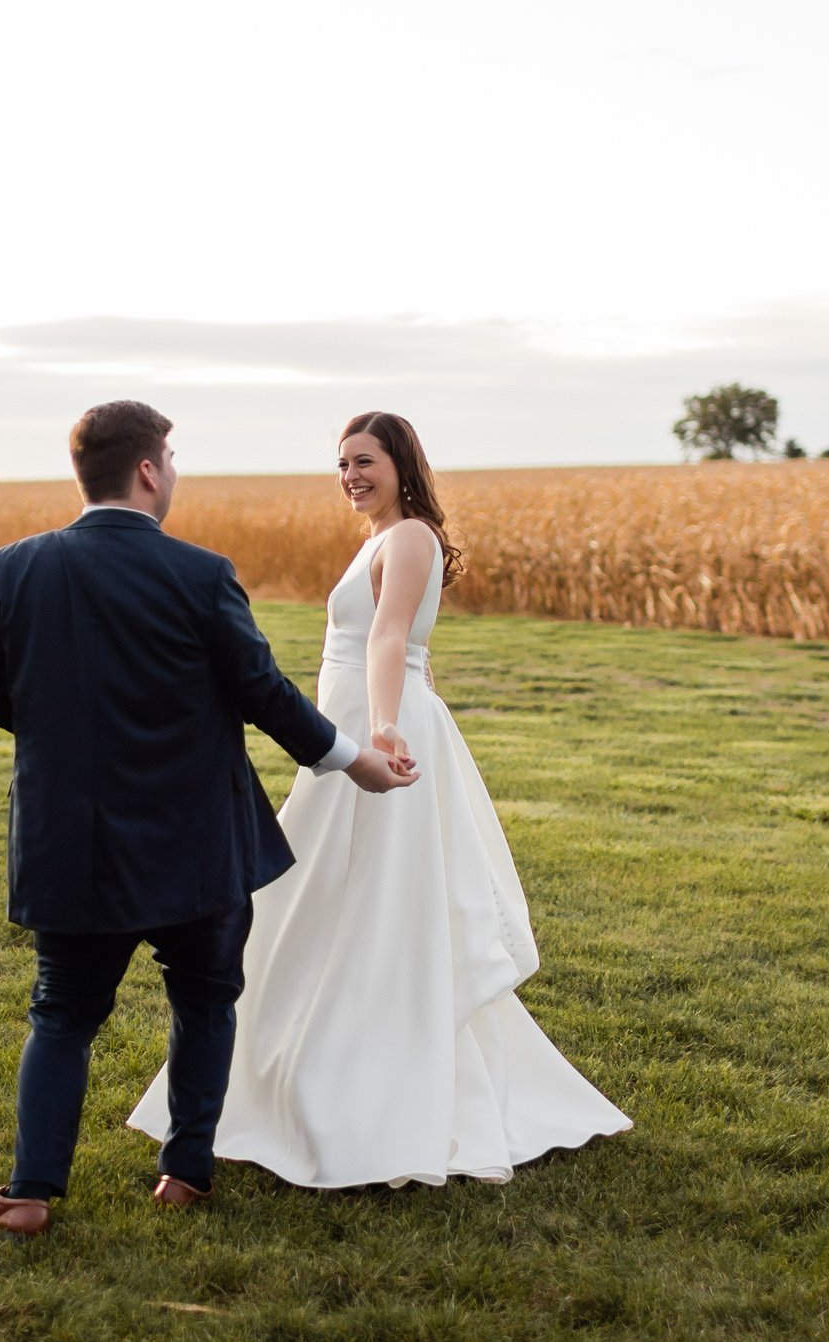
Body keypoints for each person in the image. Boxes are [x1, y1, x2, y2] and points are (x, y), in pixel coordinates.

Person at [0, 401, 419, 1235]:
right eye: (172, 456)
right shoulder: (201, 573)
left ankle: (27, 1193)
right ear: (150, 470)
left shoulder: (13, 567)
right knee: (204, 1001)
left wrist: (68, 731)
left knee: (62, 1012)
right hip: (198, 836)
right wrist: (351, 759)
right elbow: (262, 691)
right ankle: (185, 1173)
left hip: (73, 839)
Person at [127, 410, 629, 1186]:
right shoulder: (380, 539)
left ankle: (361, 1088)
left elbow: (390, 638)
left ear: (401, 463)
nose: (350, 476)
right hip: (348, 736)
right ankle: (295, 1075)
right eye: (341, 465)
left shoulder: (410, 537)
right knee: (321, 897)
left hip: (376, 737)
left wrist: (385, 725)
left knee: (368, 903)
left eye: (364, 460)